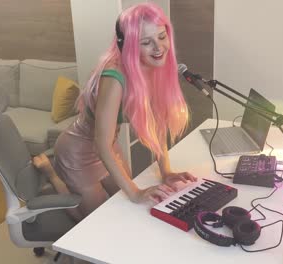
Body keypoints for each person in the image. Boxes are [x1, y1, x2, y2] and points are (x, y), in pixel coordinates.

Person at [36, 3, 197, 222]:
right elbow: (99, 143)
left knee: (123, 208)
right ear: (128, 45)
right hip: (79, 150)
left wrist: (166, 172)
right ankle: (53, 175)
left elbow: (157, 124)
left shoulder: (153, 68)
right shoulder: (114, 77)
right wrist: (135, 192)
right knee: (94, 219)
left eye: (161, 36)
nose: (159, 48)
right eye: (146, 42)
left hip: (109, 147)